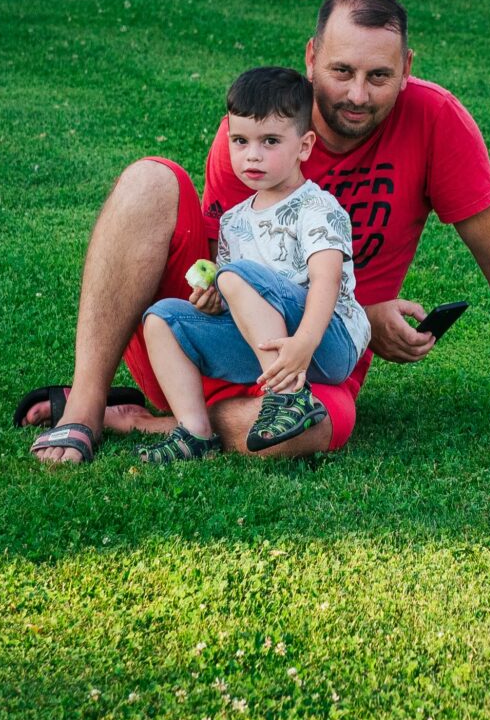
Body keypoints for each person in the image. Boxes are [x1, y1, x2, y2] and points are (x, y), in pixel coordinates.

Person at [25, 0, 490, 464]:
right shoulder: (263, 134)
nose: (358, 94)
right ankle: (86, 409)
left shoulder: (436, 121)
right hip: (221, 336)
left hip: (321, 362)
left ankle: (164, 424)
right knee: (150, 180)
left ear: (406, 69)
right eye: (341, 71)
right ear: (310, 59)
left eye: (379, 76)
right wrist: (208, 295)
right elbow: (234, 264)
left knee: (313, 430)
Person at [134, 66, 370, 464]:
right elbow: (239, 301)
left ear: (304, 146)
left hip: (327, 340)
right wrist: (213, 303)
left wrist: (304, 344)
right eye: (240, 141)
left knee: (236, 275)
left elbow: (327, 280)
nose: (252, 155)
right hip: (268, 349)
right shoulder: (234, 221)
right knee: (162, 317)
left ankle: (289, 400)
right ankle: (194, 433)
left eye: (270, 141)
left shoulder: (317, 207)